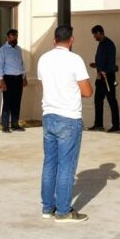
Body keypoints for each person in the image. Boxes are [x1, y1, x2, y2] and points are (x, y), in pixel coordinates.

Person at [38, 25, 94, 223]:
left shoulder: (43, 59)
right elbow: (87, 92)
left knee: (49, 163)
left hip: (49, 115)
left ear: (54, 40)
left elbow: (46, 85)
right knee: (66, 166)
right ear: (71, 40)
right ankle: (63, 211)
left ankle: (47, 207)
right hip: (68, 117)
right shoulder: (74, 59)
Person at [88, 25, 120, 133]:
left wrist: (103, 70)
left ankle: (116, 125)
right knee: (98, 100)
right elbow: (101, 60)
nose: (94, 37)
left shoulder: (109, 44)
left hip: (108, 76)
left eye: (95, 35)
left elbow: (111, 62)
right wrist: (96, 65)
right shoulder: (101, 44)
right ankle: (98, 124)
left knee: (111, 100)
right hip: (100, 76)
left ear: (100, 33)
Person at [0, 28, 27, 133]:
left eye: (16, 36)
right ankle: (5, 126)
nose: (15, 38)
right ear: (8, 37)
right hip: (8, 79)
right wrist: (2, 81)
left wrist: (24, 77)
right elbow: (0, 66)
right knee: (7, 103)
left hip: (18, 78)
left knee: (16, 102)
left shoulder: (19, 49)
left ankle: (15, 124)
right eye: (13, 36)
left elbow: (21, 64)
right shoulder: (2, 50)